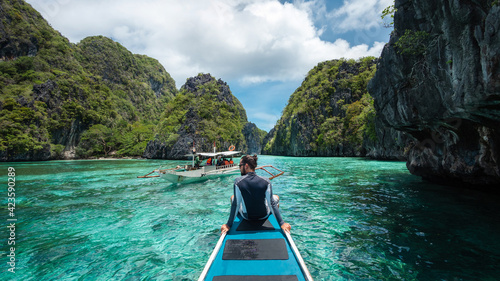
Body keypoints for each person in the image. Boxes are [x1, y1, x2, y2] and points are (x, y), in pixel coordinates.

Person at [221, 155, 291, 234]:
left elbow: (235, 204)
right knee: (276, 197)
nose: (239, 168)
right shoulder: (266, 181)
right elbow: (271, 203)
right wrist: (282, 223)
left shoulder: (238, 182)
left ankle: (238, 214)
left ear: (246, 166)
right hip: (263, 215)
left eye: (240, 166)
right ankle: (273, 214)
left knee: (233, 198)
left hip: (247, 217)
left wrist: (228, 225)